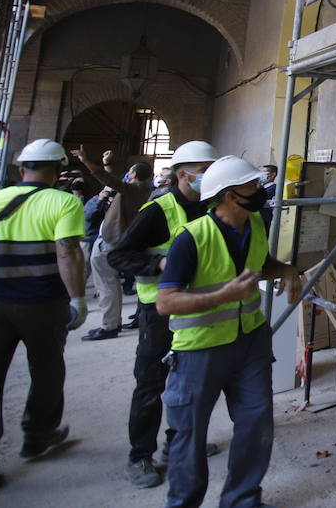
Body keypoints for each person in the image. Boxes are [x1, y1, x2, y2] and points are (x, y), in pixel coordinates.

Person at [155, 156, 300, 508]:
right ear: (230, 195)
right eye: (252, 186)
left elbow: (259, 264)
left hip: (250, 341)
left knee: (256, 423)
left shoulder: (255, 223)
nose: (260, 191)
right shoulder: (191, 238)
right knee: (189, 435)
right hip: (200, 350)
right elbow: (165, 302)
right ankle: (184, 502)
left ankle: (241, 500)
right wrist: (223, 296)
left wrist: (287, 270)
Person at [0, 139, 88, 496]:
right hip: (41, 304)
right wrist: (78, 299)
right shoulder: (65, 201)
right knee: (47, 370)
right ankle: (38, 436)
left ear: (21, 169)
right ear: (56, 171)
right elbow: (66, 255)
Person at [107, 141, 219, 488]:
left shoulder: (211, 206)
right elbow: (119, 255)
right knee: (151, 382)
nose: (208, 177)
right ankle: (140, 455)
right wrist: (159, 263)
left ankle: (176, 441)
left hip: (197, 308)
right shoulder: (159, 209)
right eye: (203, 171)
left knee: (189, 381)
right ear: (182, 174)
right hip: (158, 312)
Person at [73, 147, 153, 340]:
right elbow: (113, 180)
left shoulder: (133, 189)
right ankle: (112, 322)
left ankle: (110, 325)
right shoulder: (142, 189)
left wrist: (86, 160)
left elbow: (108, 180)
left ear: (132, 174)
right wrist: (107, 163)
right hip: (116, 239)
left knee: (106, 283)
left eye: (129, 171)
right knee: (109, 283)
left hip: (110, 241)